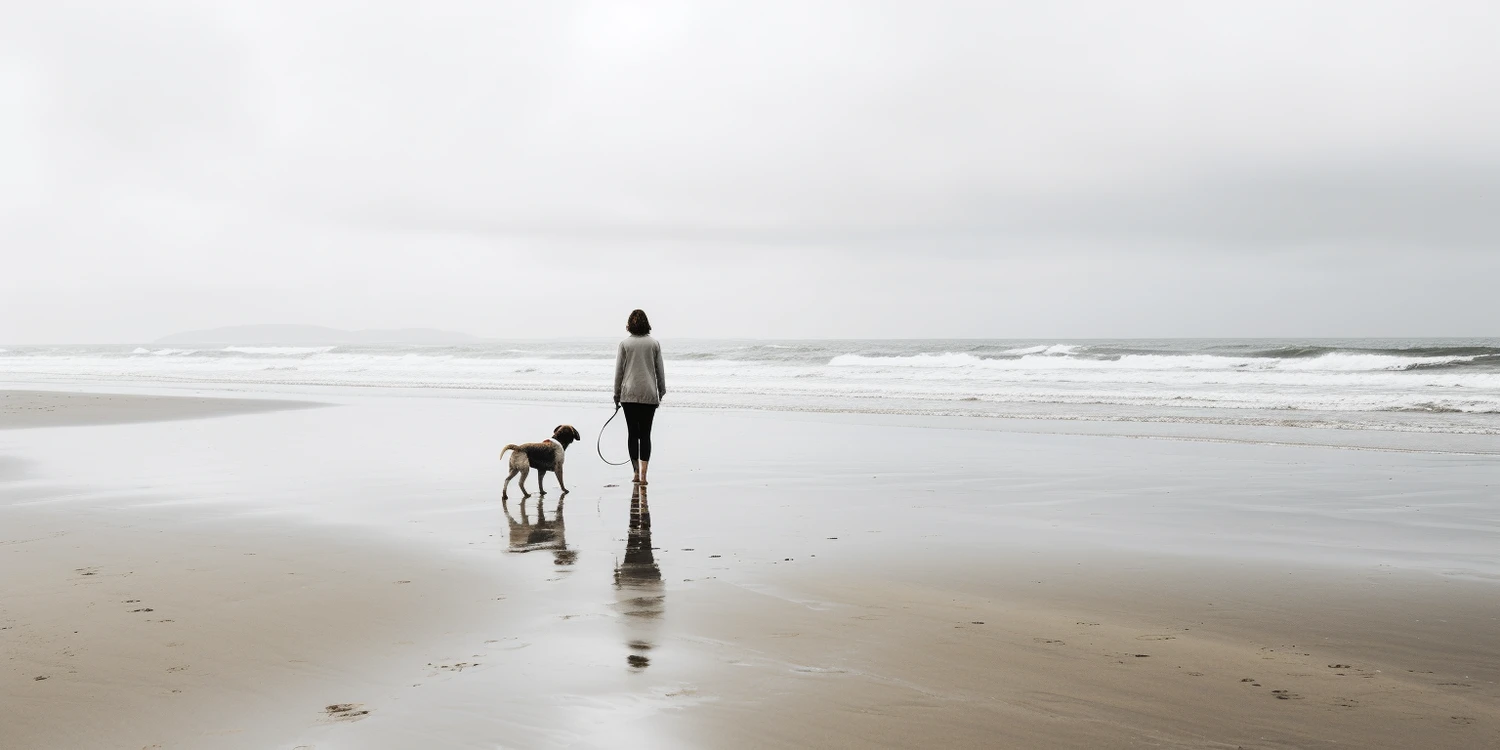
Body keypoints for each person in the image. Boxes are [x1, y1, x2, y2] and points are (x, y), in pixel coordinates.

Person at [613, 309, 666, 485]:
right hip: (649, 395)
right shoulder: (654, 344)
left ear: (629, 324)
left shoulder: (625, 344)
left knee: (632, 434)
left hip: (629, 396)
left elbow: (619, 371)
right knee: (645, 435)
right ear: (647, 324)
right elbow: (660, 370)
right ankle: (644, 476)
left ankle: (635, 473)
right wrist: (661, 390)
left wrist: (616, 394)